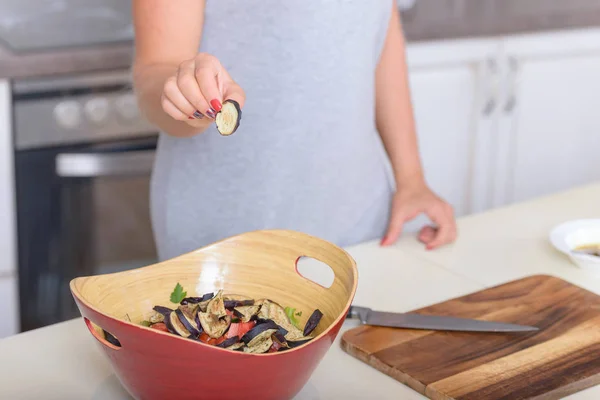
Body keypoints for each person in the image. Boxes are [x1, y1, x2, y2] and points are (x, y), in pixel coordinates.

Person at [132, 0, 457, 261]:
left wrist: (411, 178)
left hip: (361, 222)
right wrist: (189, 98)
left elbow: (381, 35)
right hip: (231, 236)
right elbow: (154, 70)